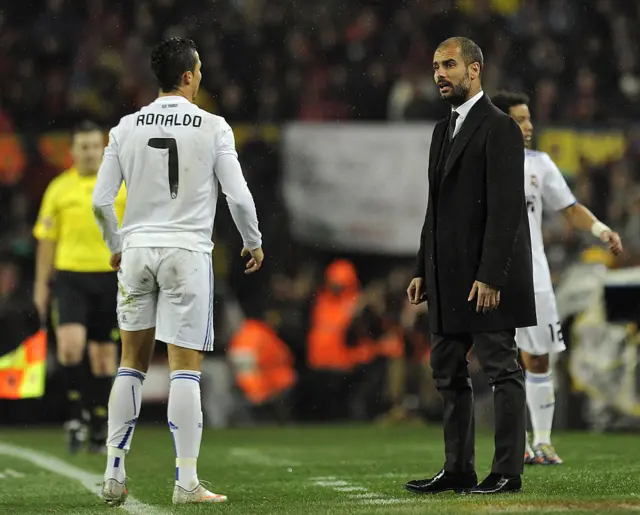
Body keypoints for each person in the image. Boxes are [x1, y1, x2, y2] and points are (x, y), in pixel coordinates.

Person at [92, 37, 263, 505]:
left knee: (131, 363)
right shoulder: (213, 127)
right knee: (185, 370)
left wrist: (115, 246)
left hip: (138, 251)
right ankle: (186, 481)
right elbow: (239, 196)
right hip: (187, 253)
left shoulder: (125, 127)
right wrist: (253, 242)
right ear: (188, 76)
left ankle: (112, 473)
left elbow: (100, 200)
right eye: (200, 70)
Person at [404, 37, 536, 496]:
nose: (440, 74)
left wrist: (491, 275)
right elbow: (434, 208)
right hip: (447, 275)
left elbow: (506, 210)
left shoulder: (499, 128)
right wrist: (423, 266)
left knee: (502, 369)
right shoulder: (443, 130)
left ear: (475, 70)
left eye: (449, 65)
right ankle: (458, 469)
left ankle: (507, 472)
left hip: (484, 279)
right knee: (447, 373)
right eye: (436, 66)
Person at [491, 91, 623, 465]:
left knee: (537, 359)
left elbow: (570, 208)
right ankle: (510, 444)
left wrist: (600, 230)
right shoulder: (479, 165)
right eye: (519, 119)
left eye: (529, 118)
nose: (529, 126)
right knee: (500, 363)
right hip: (491, 278)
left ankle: (543, 442)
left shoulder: (539, 164)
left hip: (533, 276)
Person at [32, 121, 126, 454]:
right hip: (71, 277)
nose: (89, 152)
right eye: (82, 146)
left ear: (103, 148)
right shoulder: (59, 189)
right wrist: (41, 286)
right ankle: (75, 416)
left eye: (94, 145)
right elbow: (46, 241)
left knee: (103, 359)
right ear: (71, 151)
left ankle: (99, 421)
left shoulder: (120, 186)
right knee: (70, 348)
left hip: (110, 277)